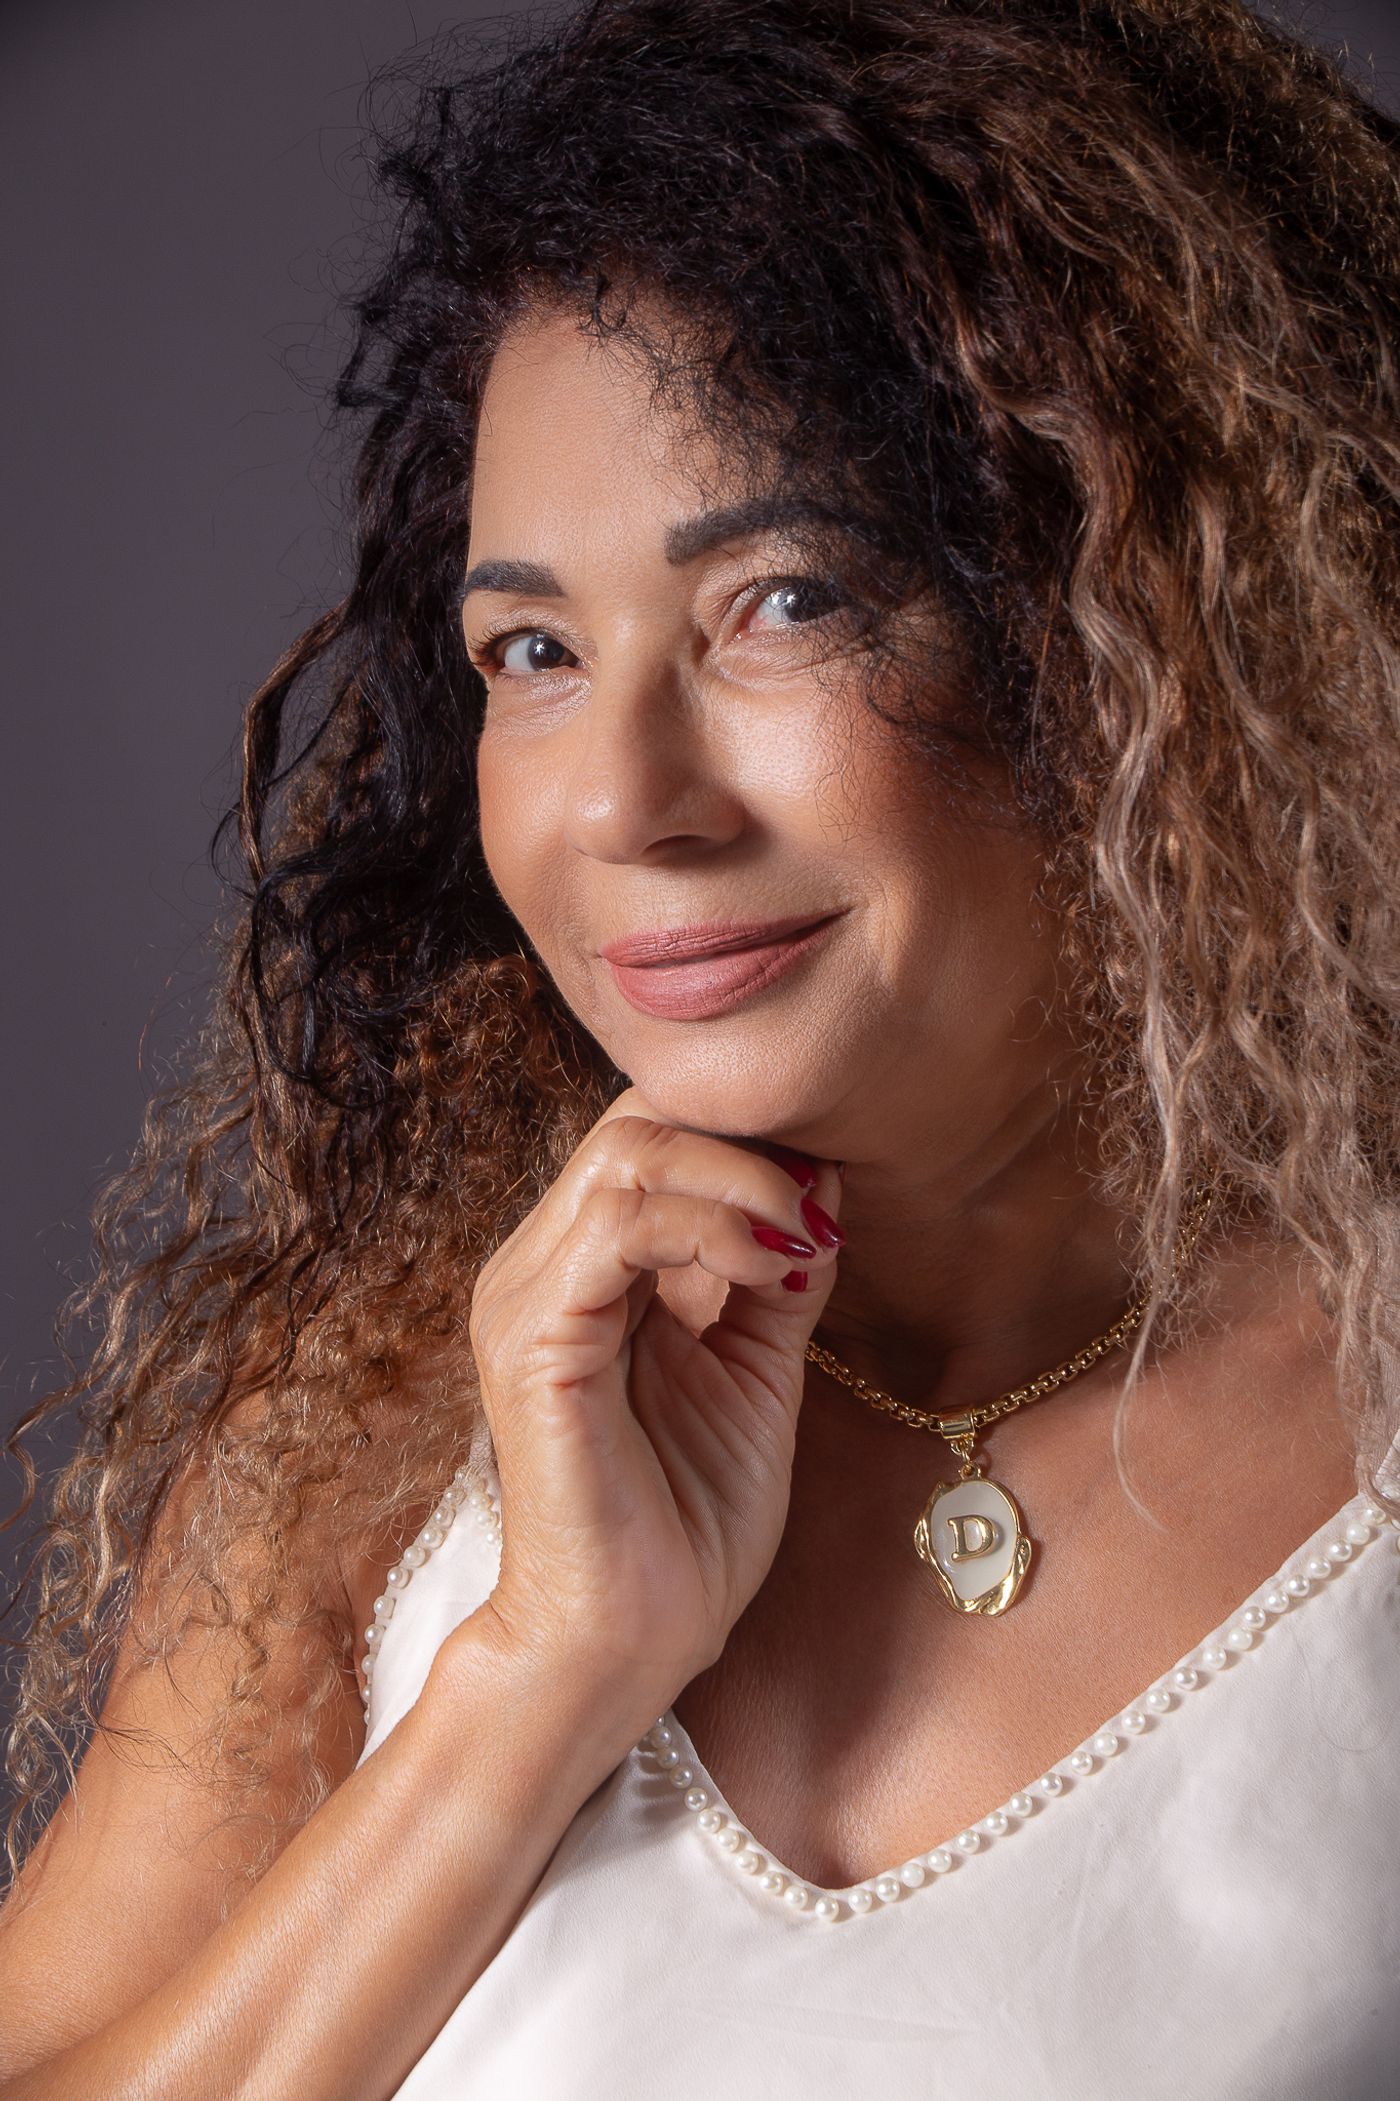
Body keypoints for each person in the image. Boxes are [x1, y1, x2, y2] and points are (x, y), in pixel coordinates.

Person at [1, 0, 1397, 2093]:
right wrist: (538, 1673)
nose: (621, 803)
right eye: (534, 650)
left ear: (1147, 641)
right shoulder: (369, 1437)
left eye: (785, 602)